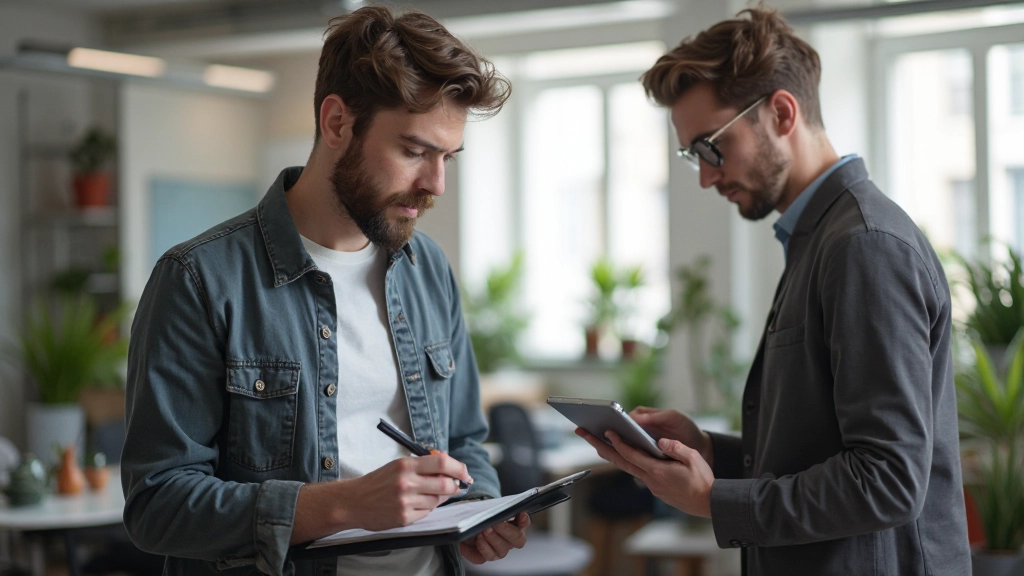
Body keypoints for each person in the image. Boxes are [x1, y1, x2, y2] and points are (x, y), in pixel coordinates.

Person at [121, 7, 529, 576]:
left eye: (447, 158)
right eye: (414, 151)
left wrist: (480, 506)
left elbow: (464, 441)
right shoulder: (199, 279)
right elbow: (157, 505)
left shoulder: (427, 268)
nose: (435, 184)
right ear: (337, 123)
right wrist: (342, 504)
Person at [576, 8, 971, 575]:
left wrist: (713, 500)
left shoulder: (863, 246)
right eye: (693, 156)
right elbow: (822, 452)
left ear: (782, 113)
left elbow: (887, 480)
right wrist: (709, 451)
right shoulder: (821, 239)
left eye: (711, 146)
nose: (706, 176)